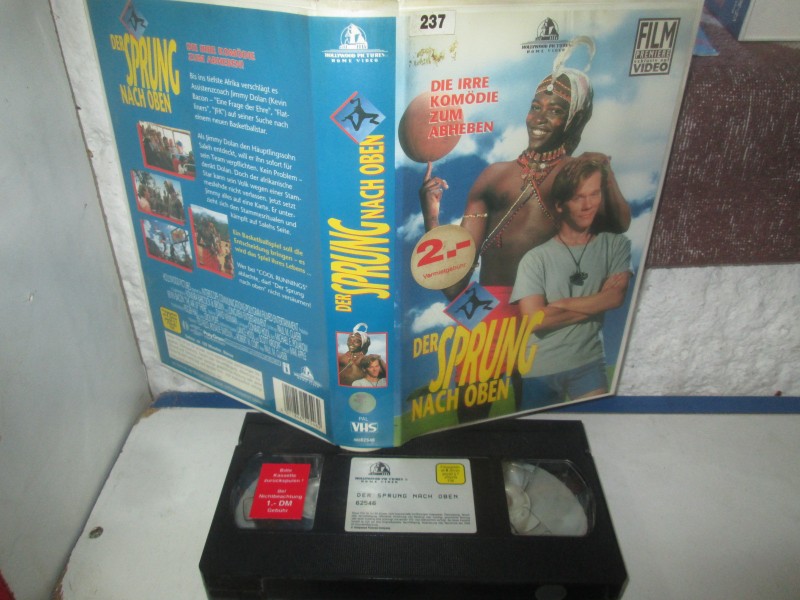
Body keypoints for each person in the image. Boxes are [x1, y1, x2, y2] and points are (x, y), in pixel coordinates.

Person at [418, 37, 630, 420]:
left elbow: (617, 224)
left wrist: (605, 173)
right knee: (468, 416)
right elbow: (454, 284)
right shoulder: (493, 176)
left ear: (574, 120)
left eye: (556, 110)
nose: (541, 117)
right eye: (536, 107)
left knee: (533, 415)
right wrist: (431, 217)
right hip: (483, 302)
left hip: (540, 309)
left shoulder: (576, 174)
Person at [510, 156, 631, 405]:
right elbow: (533, 320)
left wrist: (561, 305)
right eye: (578, 198)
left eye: (594, 194)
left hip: (588, 362)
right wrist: (598, 301)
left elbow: (616, 297)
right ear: (560, 205)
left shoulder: (615, 245)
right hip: (539, 367)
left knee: (595, 422)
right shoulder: (535, 259)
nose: (588, 205)